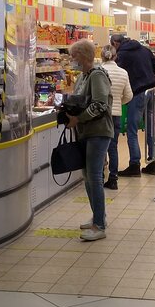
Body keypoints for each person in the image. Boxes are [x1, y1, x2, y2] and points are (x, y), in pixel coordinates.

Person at [66, 40, 114, 241]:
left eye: (74, 56)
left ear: (84, 56)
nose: (72, 60)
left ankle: (99, 226)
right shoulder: (83, 77)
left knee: (94, 177)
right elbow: (79, 100)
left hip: (98, 131)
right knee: (88, 176)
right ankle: (97, 216)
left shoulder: (96, 75)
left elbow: (100, 104)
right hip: (86, 132)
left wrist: (79, 118)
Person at [110, 33, 155, 177]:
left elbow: (118, 74)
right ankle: (153, 163)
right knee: (151, 127)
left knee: (132, 130)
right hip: (152, 90)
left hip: (137, 93)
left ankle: (134, 165)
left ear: (115, 43)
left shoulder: (122, 54)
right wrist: (146, 74)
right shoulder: (144, 49)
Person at [99, 44, 133, 190]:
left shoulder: (98, 71)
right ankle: (113, 179)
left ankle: (99, 177)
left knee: (99, 147)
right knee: (113, 147)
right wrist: (118, 102)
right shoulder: (123, 72)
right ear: (116, 56)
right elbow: (129, 95)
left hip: (100, 114)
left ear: (102, 56)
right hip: (116, 115)